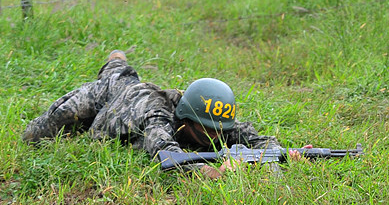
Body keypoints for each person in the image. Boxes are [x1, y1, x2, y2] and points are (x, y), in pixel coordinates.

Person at [22, 50, 305, 179]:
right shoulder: (156, 117)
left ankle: (118, 60)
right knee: (37, 134)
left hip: (132, 92)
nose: (215, 137)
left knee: (123, 72)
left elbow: (257, 139)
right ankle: (116, 61)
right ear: (185, 118)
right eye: (206, 131)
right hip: (109, 95)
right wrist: (215, 172)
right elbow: (167, 157)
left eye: (219, 130)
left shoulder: (214, 119)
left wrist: (282, 153)